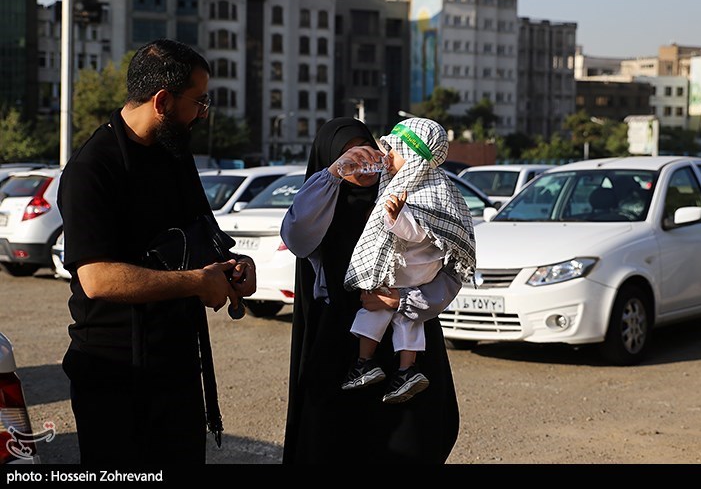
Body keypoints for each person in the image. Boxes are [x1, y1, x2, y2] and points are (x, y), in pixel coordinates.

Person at [57, 38, 256, 465]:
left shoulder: (174, 152)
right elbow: (96, 278)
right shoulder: (92, 168)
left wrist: (236, 268)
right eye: (199, 102)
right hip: (114, 376)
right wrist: (196, 283)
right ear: (162, 101)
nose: (203, 114)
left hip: (177, 367)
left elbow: (202, 235)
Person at [280, 117, 463, 464]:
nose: (363, 164)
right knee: (334, 443)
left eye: (368, 153)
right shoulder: (321, 203)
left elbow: (453, 266)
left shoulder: (413, 196)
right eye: (350, 156)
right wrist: (334, 175)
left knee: (413, 440)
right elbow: (297, 237)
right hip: (342, 344)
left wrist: (403, 300)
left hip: (408, 342)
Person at [342, 118, 475, 404]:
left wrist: (394, 217)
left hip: (404, 274)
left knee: (373, 311)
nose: (387, 156)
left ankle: (365, 362)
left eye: (395, 150)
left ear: (414, 156)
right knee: (408, 319)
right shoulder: (432, 187)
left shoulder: (421, 190)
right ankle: (406, 370)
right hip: (414, 282)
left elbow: (419, 231)